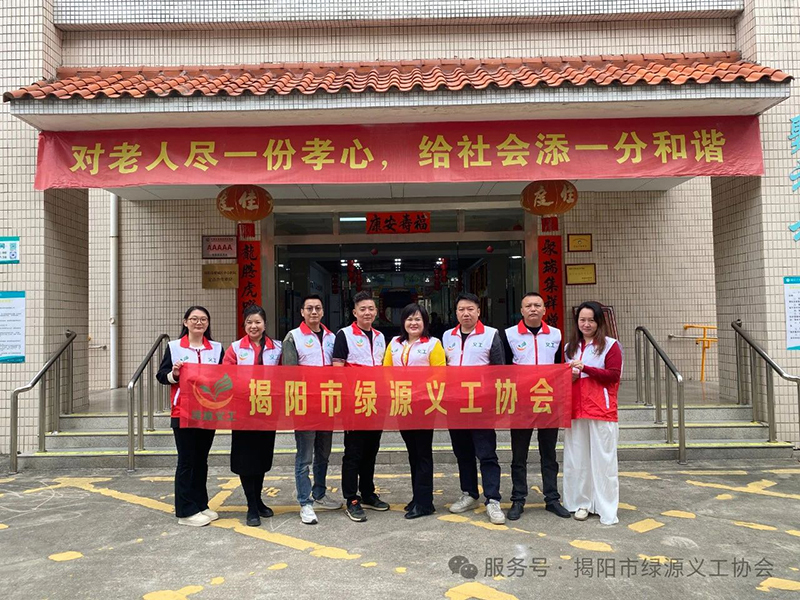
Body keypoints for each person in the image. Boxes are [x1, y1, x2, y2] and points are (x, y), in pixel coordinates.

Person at [501, 292, 571, 521]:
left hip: (548, 401)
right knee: (519, 455)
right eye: (528, 305)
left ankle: (552, 498)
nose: (533, 309)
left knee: (549, 453)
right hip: (521, 403)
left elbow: (560, 366)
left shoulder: (556, 334)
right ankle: (518, 499)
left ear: (544, 310)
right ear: (521, 311)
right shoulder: (509, 335)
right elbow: (504, 370)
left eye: (537, 305)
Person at [156, 306, 224, 527]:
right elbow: (161, 375)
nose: (199, 322)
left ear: (208, 323)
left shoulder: (216, 348)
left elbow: (225, 375)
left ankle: (200, 504)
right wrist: (174, 374)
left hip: (208, 412)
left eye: (203, 319)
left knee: (201, 460)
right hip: (183, 411)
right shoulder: (174, 347)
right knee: (186, 461)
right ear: (185, 322)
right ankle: (185, 511)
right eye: (194, 319)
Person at [442, 292, 506, 525]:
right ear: (456, 312)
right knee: (463, 453)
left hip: (481, 405)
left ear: (479, 311)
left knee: (486, 453)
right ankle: (469, 493)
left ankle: (493, 499)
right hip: (455, 404)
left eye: (470, 309)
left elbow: (499, 370)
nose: (466, 313)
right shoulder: (447, 336)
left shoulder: (491, 334)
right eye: (461, 309)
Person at [282, 294, 342, 525]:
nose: (314, 312)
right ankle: (305, 502)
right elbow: (289, 374)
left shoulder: (331, 337)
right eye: (309, 308)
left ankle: (319, 493)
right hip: (305, 406)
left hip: (327, 403)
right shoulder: (293, 337)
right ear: (302, 312)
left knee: (323, 453)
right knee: (305, 457)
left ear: (323, 311)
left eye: (317, 308)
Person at [383, 303, 446, 519]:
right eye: (409, 319)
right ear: (403, 322)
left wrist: (417, 389)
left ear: (425, 322)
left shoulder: (433, 344)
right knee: (412, 452)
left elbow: (440, 373)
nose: (413, 323)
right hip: (402, 403)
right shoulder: (394, 343)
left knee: (423, 453)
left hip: (424, 404)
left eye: (418, 319)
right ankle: (417, 497)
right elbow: (386, 370)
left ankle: (425, 503)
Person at [563, 301, 623, 525]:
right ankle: (581, 503)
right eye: (582, 320)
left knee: (603, 460)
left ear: (599, 322)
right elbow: (563, 378)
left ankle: (606, 507)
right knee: (577, 459)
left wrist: (585, 368)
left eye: (591, 320)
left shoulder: (610, 345)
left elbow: (613, 375)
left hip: (601, 409)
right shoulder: (570, 347)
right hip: (576, 410)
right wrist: (570, 375)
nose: (586, 324)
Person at [223, 304, 281, 527]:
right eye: (249, 322)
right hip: (243, 411)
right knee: (246, 459)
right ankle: (251, 506)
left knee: (262, 457)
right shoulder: (235, 348)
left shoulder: (277, 347)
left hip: (267, 410)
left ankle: (258, 500)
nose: (253, 326)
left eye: (257, 322)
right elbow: (226, 376)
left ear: (265, 324)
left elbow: (285, 375)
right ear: (244, 324)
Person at [333, 290, 389, 522]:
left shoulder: (380, 336)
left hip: (376, 402)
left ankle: (367, 492)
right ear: (354, 312)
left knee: (371, 450)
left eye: (371, 308)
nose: (367, 312)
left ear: (376, 312)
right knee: (353, 453)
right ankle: (351, 498)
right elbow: (338, 370)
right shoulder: (344, 335)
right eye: (362, 309)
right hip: (354, 403)